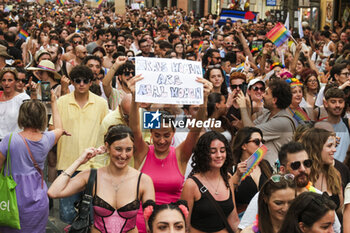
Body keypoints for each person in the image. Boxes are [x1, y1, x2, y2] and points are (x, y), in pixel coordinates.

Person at [128, 74, 212, 233]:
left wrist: (204, 99)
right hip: (141, 225)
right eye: (157, 135)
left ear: (173, 134)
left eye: (166, 135)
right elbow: (134, 129)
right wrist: (134, 97)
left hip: (171, 226)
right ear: (151, 134)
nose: (161, 140)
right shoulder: (142, 153)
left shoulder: (180, 155)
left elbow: (195, 131)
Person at [48, 125, 155, 233]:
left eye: (128, 150)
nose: (123, 155)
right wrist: (79, 161)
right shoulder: (92, 176)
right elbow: (54, 192)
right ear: (107, 147)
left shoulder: (143, 181)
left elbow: (151, 225)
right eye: (118, 149)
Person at [49, 65, 109, 223]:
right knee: (68, 217)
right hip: (68, 165)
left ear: (91, 83)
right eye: (77, 80)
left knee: (93, 217)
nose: (81, 84)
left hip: (94, 166)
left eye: (85, 81)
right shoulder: (62, 102)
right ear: (72, 83)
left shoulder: (101, 103)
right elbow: (52, 129)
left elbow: (107, 131)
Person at [238, 141, 341, 233]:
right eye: (296, 165)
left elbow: (335, 229)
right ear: (282, 169)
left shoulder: (318, 198)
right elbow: (244, 229)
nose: (303, 169)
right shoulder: (265, 195)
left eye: (307, 163)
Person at [0, 94, 66, 232]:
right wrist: (54, 102)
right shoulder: (46, 140)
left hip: (11, 201)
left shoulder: (9, 140)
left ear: (21, 117)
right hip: (39, 202)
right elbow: (59, 129)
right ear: (42, 118)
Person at [181, 131, 240, 233]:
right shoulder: (191, 184)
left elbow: (233, 220)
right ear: (203, 154)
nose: (219, 155)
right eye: (213, 151)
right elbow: (184, 225)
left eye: (222, 151)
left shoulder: (228, 179)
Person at [237, 79, 295, 165]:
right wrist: (249, 107)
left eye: (266, 93)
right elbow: (250, 127)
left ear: (274, 100)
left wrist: (243, 108)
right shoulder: (268, 113)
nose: (263, 95)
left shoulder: (282, 122)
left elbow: (249, 133)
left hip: (274, 172)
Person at [232, 127, 272, 216]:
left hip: (266, 216)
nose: (261, 145)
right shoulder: (232, 169)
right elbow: (228, 195)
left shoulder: (266, 165)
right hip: (242, 217)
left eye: (262, 142)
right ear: (244, 145)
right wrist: (237, 176)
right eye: (257, 142)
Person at [299, 128, 343, 211]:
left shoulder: (335, 174)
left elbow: (340, 209)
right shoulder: (300, 177)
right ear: (315, 149)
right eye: (329, 146)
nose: (334, 150)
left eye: (334, 146)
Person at [0, 68, 30, 141]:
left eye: (10, 80)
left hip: (16, 141)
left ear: (15, 82)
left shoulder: (23, 98)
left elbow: (30, 120)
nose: (6, 83)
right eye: (4, 80)